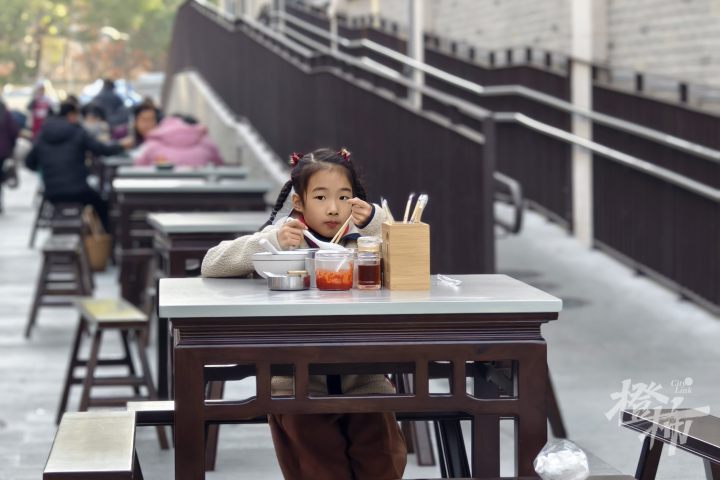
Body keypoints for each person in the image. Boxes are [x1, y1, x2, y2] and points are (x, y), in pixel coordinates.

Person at [201, 148, 407, 480]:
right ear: (299, 202)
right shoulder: (285, 240)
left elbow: (410, 259)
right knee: (316, 466)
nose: (333, 208)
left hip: (364, 375)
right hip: (295, 382)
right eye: (321, 197)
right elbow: (211, 263)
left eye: (344, 197)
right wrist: (270, 240)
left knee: (381, 461)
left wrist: (375, 222)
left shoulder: (366, 244)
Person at [25, 101, 130, 231]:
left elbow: (29, 163)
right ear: (71, 115)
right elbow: (101, 150)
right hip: (78, 190)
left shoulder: (42, 135)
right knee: (102, 204)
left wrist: (48, 169)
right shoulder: (77, 132)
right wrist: (122, 145)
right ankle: (107, 241)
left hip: (52, 193)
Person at [133, 115, 222, 167]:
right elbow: (219, 166)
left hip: (160, 195)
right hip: (202, 195)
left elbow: (138, 167)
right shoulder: (206, 143)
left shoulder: (152, 145)